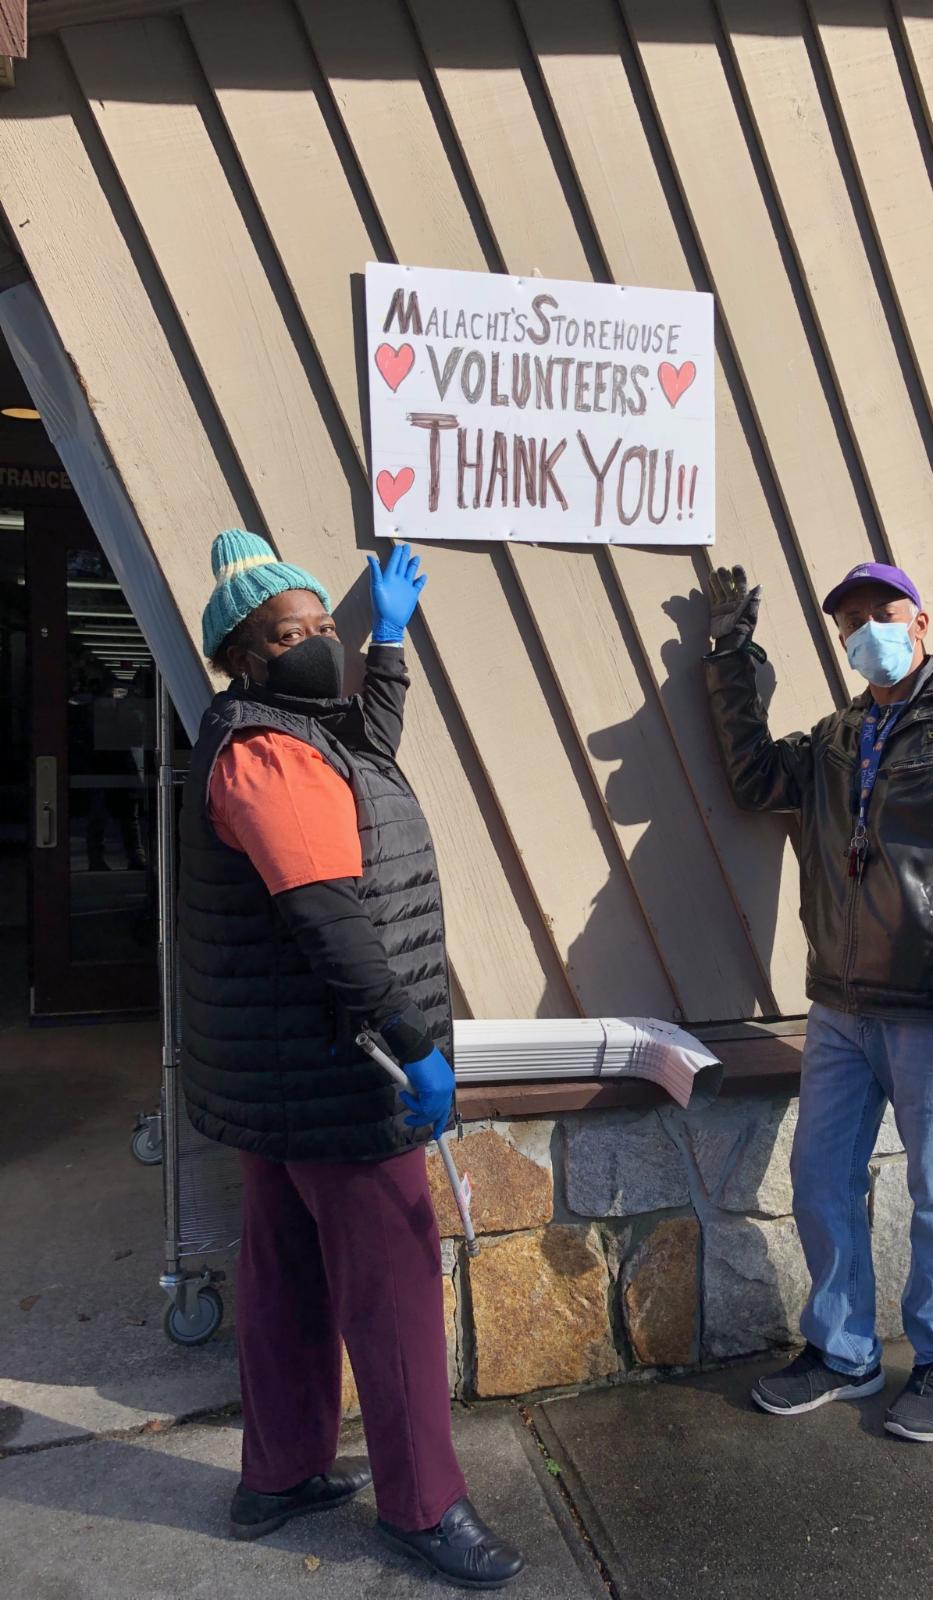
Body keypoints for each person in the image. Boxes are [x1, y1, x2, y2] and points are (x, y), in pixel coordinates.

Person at [178, 529, 524, 1587]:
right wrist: (412, 1042)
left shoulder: (298, 730)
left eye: (324, 621)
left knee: (285, 1273)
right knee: (392, 1285)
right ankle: (423, 1506)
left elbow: (368, 740)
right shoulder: (268, 754)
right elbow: (328, 915)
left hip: (283, 1070)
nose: (321, 641)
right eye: (294, 633)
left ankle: (279, 1475)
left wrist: (392, 639)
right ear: (243, 657)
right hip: (343, 1066)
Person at [704, 560, 933, 1442]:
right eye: (851, 621)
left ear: (920, 621)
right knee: (821, 1177)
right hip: (839, 1006)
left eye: (883, 612)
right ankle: (843, 1351)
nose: (868, 630)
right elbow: (755, 779)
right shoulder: (838, 737)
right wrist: (731, 659)